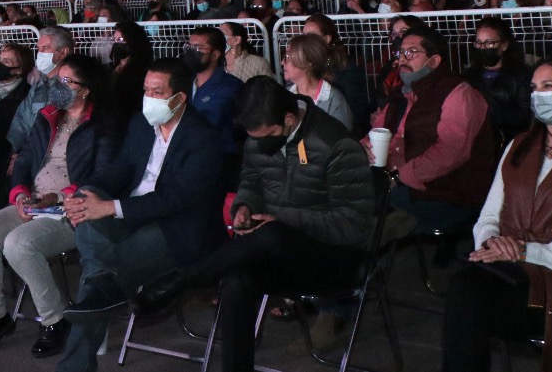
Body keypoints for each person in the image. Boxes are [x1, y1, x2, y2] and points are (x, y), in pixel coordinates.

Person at [132, 80, 375, 372]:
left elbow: (355, 224)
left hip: (331, 259)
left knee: (271, 233)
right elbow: (250, 183)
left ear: (287, 119)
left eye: (268, 135)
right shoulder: (258, 138)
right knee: (237, 278)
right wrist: (245, 207)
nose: (262, 143)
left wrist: (281, 218)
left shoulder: (336, 144)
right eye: (255, 138)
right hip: (272, 251)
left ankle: (180, 282)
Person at [53, 58, 226, 372]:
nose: (149, 98)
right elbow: (121, 169)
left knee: (99, 271)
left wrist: (110, 207)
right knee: (88, 224)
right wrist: (90, 192)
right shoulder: (140, 124)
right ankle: (103, 291)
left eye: (157, 92)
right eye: (146, 90)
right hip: (132, 214)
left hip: (178, 229)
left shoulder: (203, 139)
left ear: (180, 97)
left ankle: (75, 364)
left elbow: (174, 200)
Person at [442, 57, 552, 371]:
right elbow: (488, 217)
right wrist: (492, 243)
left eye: (548, 86)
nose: (538, 95)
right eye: (534, 88)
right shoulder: (518, 147)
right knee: (464, 289)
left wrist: (524, 250)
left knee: (467, 296)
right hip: (511, 270)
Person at [0, 55, 121, 359]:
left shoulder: (103, 125)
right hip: (35, 199)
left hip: (73, 206)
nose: (58, 87)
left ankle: (55, 320)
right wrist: (21, 195)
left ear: (86, 89)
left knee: (19, 244)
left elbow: (104, 174)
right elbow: (24, 160)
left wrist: (60, 196)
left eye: (67, 82)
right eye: (57, 80)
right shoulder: (48, 116)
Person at [368, 25, 498, 236]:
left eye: (411, 53)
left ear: (434, 61)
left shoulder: (458, 93)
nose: (403, 59)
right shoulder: (400, 95)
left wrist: (397, 178)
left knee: (364, 210)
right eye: (400, 53)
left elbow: (449, 153)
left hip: (444, 193)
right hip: (398, 183)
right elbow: (376, 134)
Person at [183, 27, 244, 187]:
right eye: (189, 46)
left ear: (216, 54)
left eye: (198, 48)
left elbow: (212, 122)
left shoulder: (230, 87)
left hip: (221, 160)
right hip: (189, 157)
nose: (191, 51)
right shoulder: (184, 83)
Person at [7, 26, 75, 154]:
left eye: (45, 48)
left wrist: (27, 155)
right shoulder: (39, 84)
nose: (40, 54)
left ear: (64, 52)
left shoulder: (72, 85)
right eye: (38, 49)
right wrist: (12, 152)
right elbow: (21, 121)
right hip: (29, 153)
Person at [465, 16, 532, 143]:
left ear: (504, 45)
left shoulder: (521, 75)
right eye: (478, 42)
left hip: (508, 140)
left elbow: (525, 116)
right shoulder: (469, 76)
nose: (483, 48)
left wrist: (488, 113)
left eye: (489, 43)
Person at [302, 14, 369, 136]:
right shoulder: (306, 65)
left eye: (311, 36)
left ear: (327, 39)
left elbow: (357, 112)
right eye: (303, 35)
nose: (305, 41)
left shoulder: (347, 69)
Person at [281, 35, 353, 131]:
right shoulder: (285, 95)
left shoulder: (334, 101)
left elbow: (342, 143)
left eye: (288, 57)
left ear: (308, 62)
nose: (282, 62)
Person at [108, 21, 153, 126]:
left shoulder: (142, 70)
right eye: (114, 40)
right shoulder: (115, 67)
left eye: (121, 40)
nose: (116, 43)